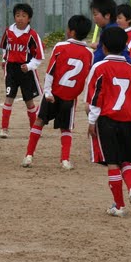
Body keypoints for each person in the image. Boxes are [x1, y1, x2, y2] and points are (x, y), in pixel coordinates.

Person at [86, 26, 131, 217]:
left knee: (113, 162)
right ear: (124, 46)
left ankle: (119, 206)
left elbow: (95, 98)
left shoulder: (99, 68)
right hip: (127, 121)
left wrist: (92, 122)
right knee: (126, 159)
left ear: (103, 47)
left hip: (107, 121)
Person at [23, 14, 94, 170]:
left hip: (53, 93)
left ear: (72, 32)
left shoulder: (60, 46)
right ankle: (65, 160)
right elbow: (87, 78)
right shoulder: (89, 53)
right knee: (66, 127)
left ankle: (29, 156)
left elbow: (50, 72)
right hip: (70, 96)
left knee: (39, 121)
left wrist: (47, 91)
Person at [0, 3, 43, 139]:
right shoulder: (8, 32)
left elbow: (39, 56)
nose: (20, 18)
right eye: (17, 15)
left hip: (25, 71)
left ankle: (33, 129)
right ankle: (4, 129)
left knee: (29, 101)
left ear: (29, 18)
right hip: (11, 70)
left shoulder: (32, 35)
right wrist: (4, 59)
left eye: (24, 16)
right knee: (9, 97)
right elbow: (5, 48)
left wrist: (29, 66)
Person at [89, 0, 131, 64]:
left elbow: (100, 56)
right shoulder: (110, 28)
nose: (93, 18)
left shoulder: (111, 32)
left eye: (95, 14)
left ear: (107, 15)